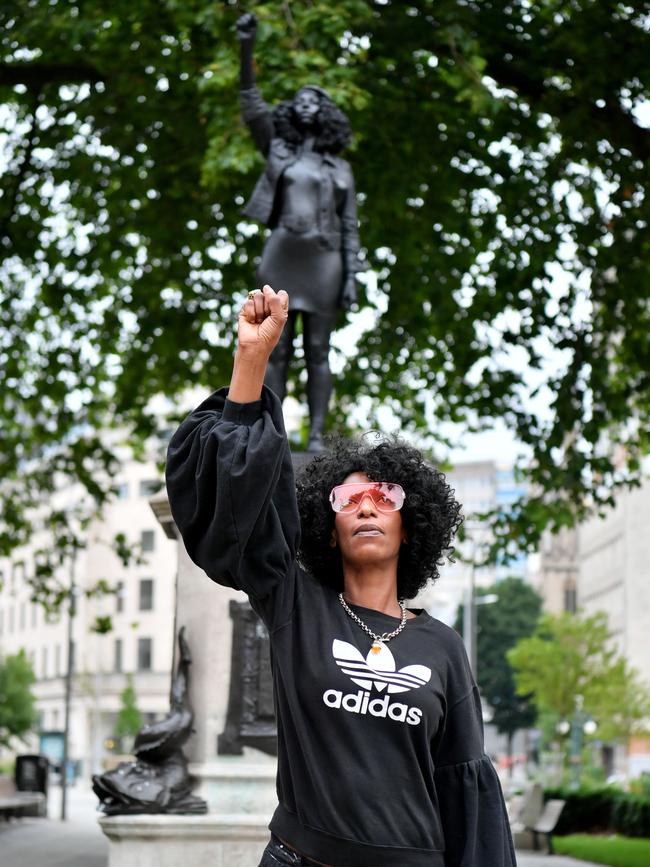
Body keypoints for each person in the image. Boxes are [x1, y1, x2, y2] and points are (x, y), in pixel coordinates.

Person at [166, 285, 517, 866]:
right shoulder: (295, 605)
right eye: (347, 498)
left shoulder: (444, 648)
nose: (365, 505)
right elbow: (240, 513)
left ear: (412, 526)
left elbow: (465, 794)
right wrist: (252, 359)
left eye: (385, 496)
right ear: (329, 530)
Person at [236, 12, 362, 452]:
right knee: (274, 348)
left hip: (326, 260)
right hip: (283, 254)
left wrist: (351, 276)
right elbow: (251, 101)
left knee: (319, 351)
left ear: (327, 114)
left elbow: (350, 225)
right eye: (301, 98)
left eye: (317, 99)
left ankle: (320, 438)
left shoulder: (341, 168)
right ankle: (274, 433)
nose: (307, 101)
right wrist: (246, 46)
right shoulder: (278, 149)